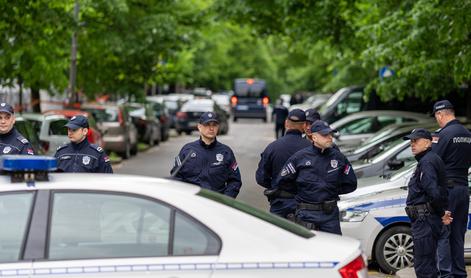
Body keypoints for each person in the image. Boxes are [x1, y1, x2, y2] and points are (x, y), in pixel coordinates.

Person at [274, 120, 357, 234]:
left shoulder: (338, 158)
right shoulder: (300, 158)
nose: (329, 137)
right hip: (306, 214)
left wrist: (330, 190)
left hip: (330, 215)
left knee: (335, 248)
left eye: (330, 134)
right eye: (325, 135)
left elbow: (351, 183)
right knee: (307, 250)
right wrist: (304, 192)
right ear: (314, 137)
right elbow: (282, 181)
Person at [402, 128, 452, 278]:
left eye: (416, 141)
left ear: (427, 143)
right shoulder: (428, 159)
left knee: (424, 266)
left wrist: (441, 213)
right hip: (427, 219)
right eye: (411, 141)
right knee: (428, 263)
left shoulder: (427, 162)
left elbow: (433, 192)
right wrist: (441, 212)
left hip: (425, 220)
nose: (412, 144)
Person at [431, 100, 471, 278]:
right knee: (458, 235)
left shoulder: (442, 135)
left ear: (440, 114)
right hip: (463, 189)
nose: (437, 120)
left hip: (448, 191)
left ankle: (446, 276)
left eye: (436, 117)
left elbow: (433, 161)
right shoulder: (467, 133)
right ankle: (460, 274)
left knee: (443, 234)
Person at [171, 112, 242, 198]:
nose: (211, 128)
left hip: (216, 204)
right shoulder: (187, 150)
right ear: (199, 127)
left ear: (218, 127)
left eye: (214, 125)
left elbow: (235, 181)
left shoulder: (226, 152)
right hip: (191, 203)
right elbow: (175, 178)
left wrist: (225, 200)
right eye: (207, 125)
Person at [256, 108, 311, 218]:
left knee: (278, 234)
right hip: (305, 205)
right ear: (304, 126)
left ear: (286, 123)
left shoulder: (272, 147)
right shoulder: (311, 148)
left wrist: (276, 183)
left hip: (280, 204)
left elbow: (261, 178)